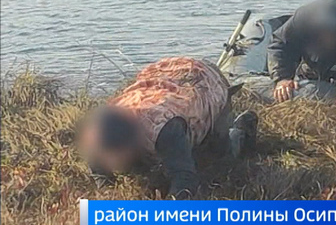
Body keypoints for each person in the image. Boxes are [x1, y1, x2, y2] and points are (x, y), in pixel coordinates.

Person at [77, 57, 257, 199]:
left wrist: (166, 215)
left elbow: (185, 179)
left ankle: (242, 127)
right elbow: (99, 171)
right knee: (145, 163)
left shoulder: (163, 128)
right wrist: (107, 194)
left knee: (221, 156)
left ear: (133, 139)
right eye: (107, 153)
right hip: (165, 75)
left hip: (204, 82)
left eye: (117, 153)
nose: (110, 162)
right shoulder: (97, 133)